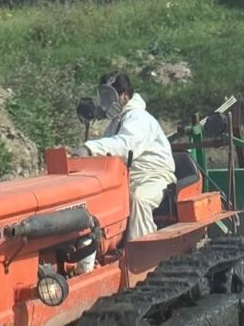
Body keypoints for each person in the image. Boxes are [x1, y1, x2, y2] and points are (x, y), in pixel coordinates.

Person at [71, 72, 175, 241]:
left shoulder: (139, 119)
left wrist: (89, 148)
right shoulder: (115, 124)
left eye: (109, 96)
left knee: (140, 199)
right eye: (102, 96)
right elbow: (108, 151)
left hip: (152, 176)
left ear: (125, 96)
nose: (105, 102)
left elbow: (124, 146)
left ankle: (143, 252)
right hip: (124, 178)